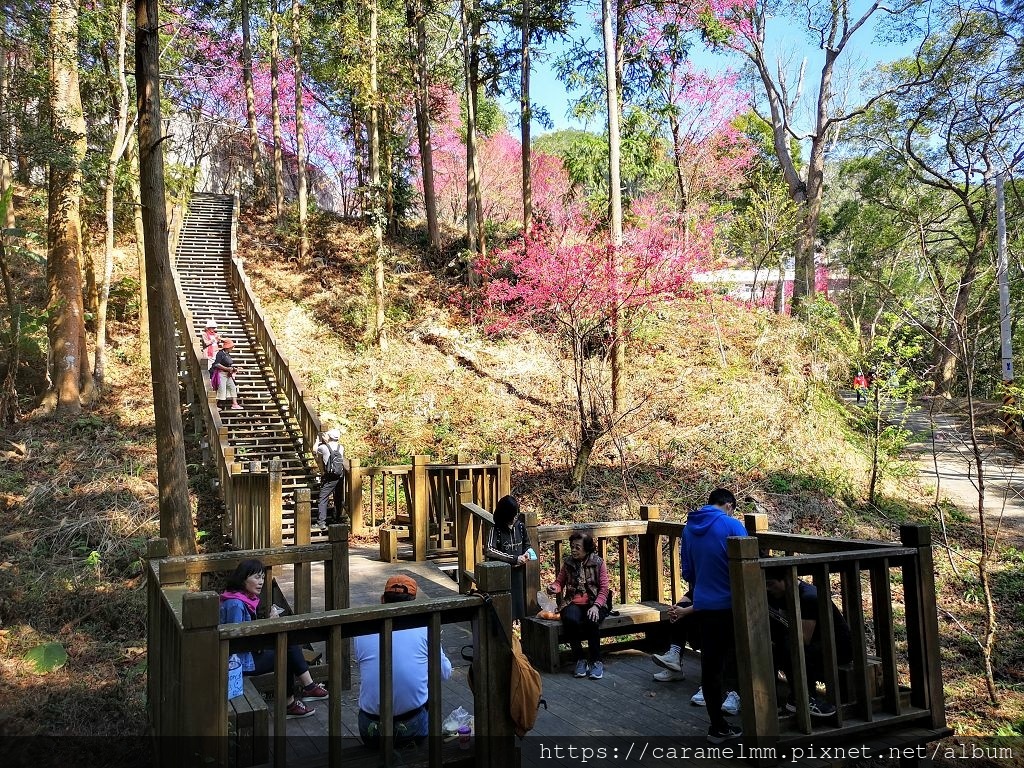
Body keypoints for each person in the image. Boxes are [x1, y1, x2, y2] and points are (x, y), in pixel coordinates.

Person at [219, 559, 328, 719]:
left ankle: (303, 692)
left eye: (262, 577)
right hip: (238, 662)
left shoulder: (242, 598)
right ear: (243, 579)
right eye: (256, 577)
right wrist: (268, 626)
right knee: (285, 655)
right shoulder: (236, 604)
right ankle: (296, 698)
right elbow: (237, 641)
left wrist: (268, 625)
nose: (261, 582)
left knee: (287, 643)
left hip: (248, 654)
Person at [353, 575, 453, 748]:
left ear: (382, 600)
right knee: (427, 694)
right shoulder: (425, 629)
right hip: (410, 726)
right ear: (413, 603)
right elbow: (445, 673)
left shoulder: (363, 629)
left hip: (369, 728)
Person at [681, 487, 745, 743]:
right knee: (738, 659)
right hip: (731, 605)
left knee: (711, 666)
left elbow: (688, 572)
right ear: (729, 505)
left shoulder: (688, 528)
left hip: (703, 605)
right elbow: (745, 566)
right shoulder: (732, 525)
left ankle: (717, 724)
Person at [764, 566, 852, 717]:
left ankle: (805, 698)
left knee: (789, 647)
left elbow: (803, 638)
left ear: (786, 580)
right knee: (772, 647)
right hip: (813, 643)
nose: (767, 589)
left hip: (838, 646)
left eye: (770, 584)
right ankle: (775, 700)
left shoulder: (808, 597)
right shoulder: (777, 595)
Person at [546, 530, 611, 681]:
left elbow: (604, 589)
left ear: (587, 549)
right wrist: (554, 587)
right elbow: (559, 581)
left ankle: (596, 661)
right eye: (572, 547)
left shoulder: (598, 562)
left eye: (577, 547)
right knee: (570, 618)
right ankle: (580, 659)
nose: (574, 550)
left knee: (591, 619)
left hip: (595, 602)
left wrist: (596, 606)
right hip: (572, 602)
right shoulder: (568, 563)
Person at [483, 495, 532, 621]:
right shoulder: (496, 530)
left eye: (516, 514)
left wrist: (526, 555)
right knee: (504, 612)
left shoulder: (520, 527)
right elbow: (489, 550)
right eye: (513, 515)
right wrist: (513, 559)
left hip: (519, 576)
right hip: (502, 576)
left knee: (521, 610)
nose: (515, 517)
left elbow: (527, 544)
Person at [315, 429, 344, 533]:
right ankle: (337, 518)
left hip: (329, 476)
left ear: (329, 437)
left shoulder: (323, 447)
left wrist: (318, 440)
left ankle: (321, 522)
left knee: (323, 498)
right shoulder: (341, 447)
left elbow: (316, 452)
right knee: (338, 497)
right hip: (339, 475)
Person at [213, 338, 243, 410]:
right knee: (221, 389)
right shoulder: (220, 354)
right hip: (221, 374)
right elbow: (216, 364)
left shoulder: (227, 354)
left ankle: (235, 404)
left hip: (228, 375)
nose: (232, 348)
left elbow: (229, 364)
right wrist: (227, 369)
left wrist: (234, 369)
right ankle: (214, 405)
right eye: (231, 347)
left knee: (232, 387)